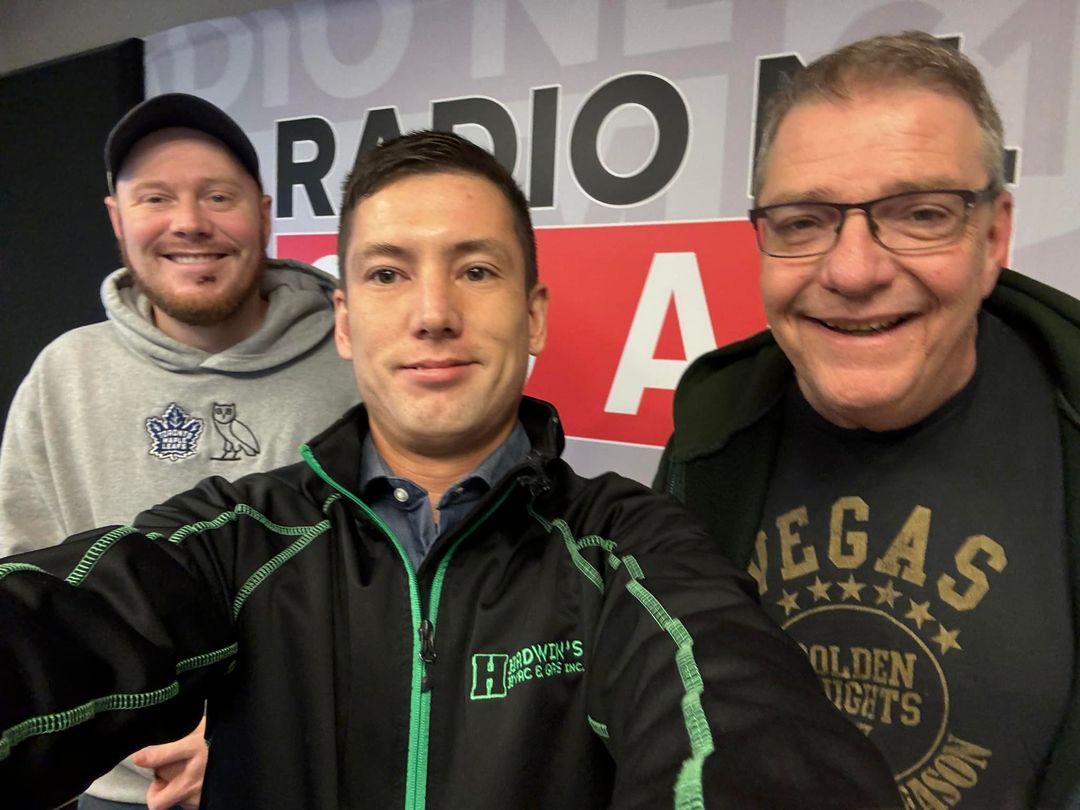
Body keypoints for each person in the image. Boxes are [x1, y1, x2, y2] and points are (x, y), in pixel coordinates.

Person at [0, 130, 901, 809]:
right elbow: (61, 627)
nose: (433, 312)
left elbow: (740, 719)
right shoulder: (239, 539)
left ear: (534, 315)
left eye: (475, 270)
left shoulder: (627, 547)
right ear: (345, 322)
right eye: (388, 275)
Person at [654, 30, 1080, 808]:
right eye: (803, 221)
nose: (852, 271)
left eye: (920, 214)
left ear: (993, 236)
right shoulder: (711, 436)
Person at [0, 93, 359, 809]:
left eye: (218, 196)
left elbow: (398, 597)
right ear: (117, 218)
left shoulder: (355, 367)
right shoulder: (63, 375)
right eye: (156, 197)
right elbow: (30, 590)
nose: (189, 221)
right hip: (115, 789)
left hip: (309, 770)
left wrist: (253, 731)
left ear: (263, 214)